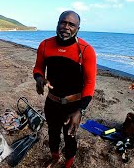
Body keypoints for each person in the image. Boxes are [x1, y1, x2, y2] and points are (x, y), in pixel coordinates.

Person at [33, 10, 96, 168]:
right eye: (63, 22)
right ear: (57, 23)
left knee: (70, 137)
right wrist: (40, 79)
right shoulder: (45, 44)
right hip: (52, 102)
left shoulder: (86, 50)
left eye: (71, 24)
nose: (66, 27)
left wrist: (80, 110)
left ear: (77, 29)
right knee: (53, 134)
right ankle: (55, 157)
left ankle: (68, 163)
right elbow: (38, 68)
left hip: (73, 105)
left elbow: (90, 83)